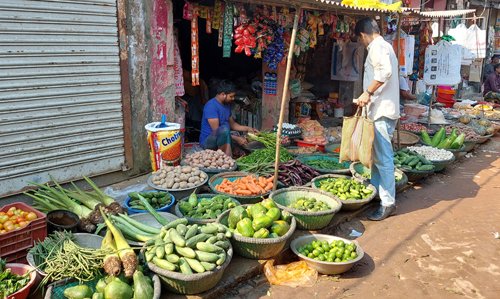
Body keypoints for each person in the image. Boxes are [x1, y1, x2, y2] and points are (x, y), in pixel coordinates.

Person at [354, 18, 400, 221]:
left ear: (363, 35)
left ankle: (388, 203)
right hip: (380, 110)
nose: (362, 42)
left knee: (383, 158)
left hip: (382, 111)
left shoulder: (377, 47)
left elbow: (385, 73)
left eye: (360, 38)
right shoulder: (386, 46)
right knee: (377, 157)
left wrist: (367, 93)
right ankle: (376, 193)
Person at [199, 80, 258, 156]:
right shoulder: (211, 106)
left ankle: (231, 152)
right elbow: (218, 132)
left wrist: (249, 129)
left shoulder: (226, 105)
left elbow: (233, 125)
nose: (233, 98)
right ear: (223, 94)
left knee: (237, 137)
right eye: (231, 96)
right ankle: (228, 157)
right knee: (225, 130)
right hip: (208, 142)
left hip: (223, 137)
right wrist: (237, 139)